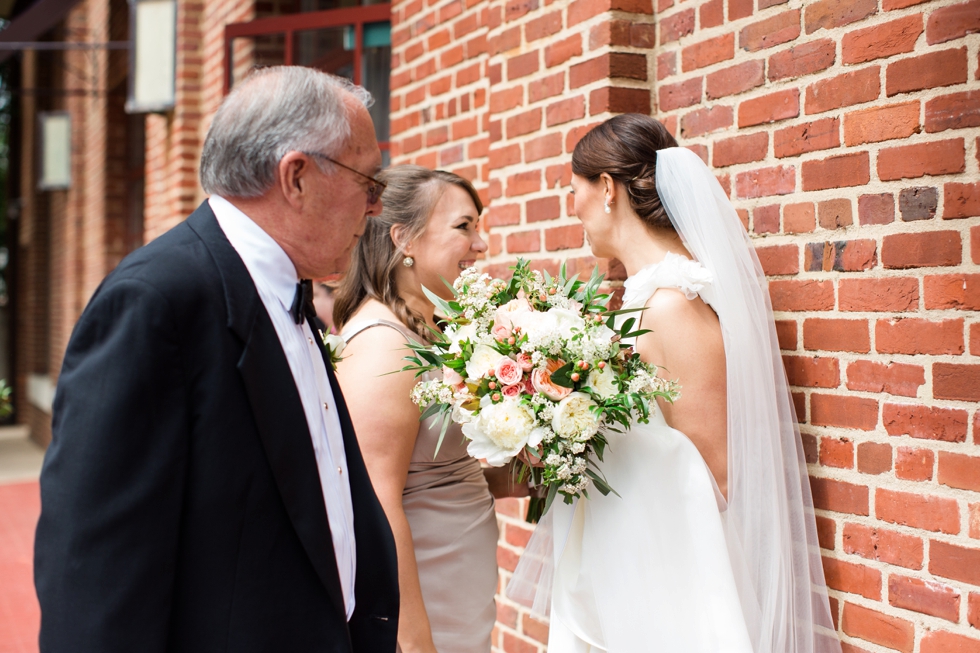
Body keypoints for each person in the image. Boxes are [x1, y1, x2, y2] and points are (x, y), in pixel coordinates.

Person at [34, 67, 399, 653]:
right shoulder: (157, 302)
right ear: (297, 177)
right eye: (369, 182)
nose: (375, 207)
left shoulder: (289, 293)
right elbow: (95, 575)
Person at [511, 114, 840, 653]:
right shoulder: (644, 299)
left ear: (608, 189)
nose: (571, 207)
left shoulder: (672, 306)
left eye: (573, 190)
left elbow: (721, 477)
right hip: (626, 562)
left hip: (666, 578)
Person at [334, 165, 523, 653]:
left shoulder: (430, 333)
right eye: (464, 227)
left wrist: (529, 470)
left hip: (458, 592)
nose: (481, 244)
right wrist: (416, 644)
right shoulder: (384, 347)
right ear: (405, 240)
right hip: (425, 608)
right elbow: (376, 504)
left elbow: (429, 472)